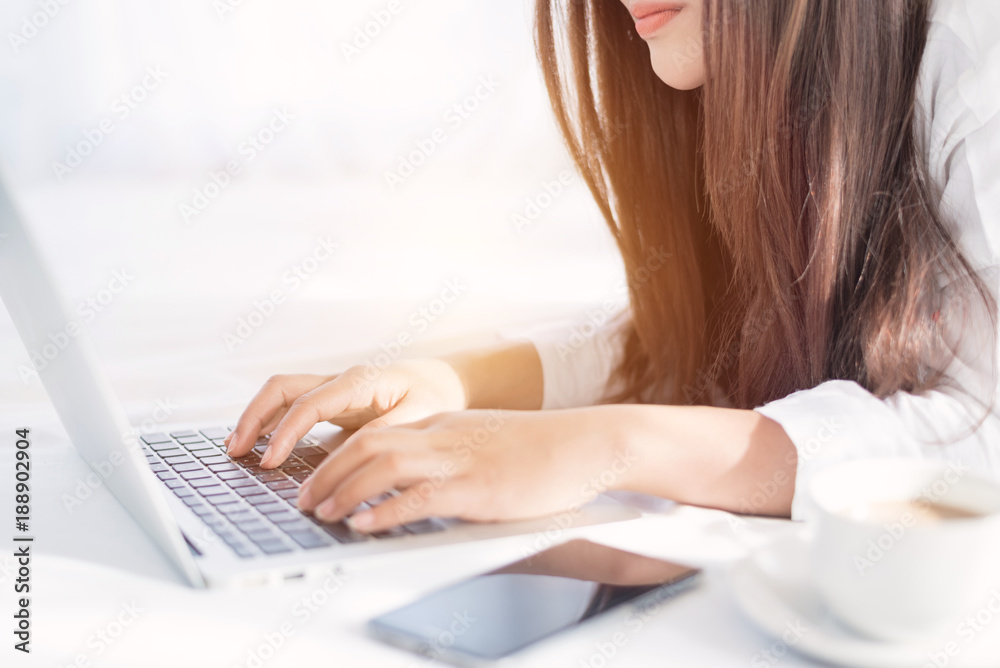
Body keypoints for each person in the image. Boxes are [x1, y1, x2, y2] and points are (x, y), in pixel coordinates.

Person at [225, 0, 1000, 533]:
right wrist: (458, 383)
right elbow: (696, 340)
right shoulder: (732, 74)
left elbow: (982, 439)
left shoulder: (974, 49)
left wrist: (606, 446)